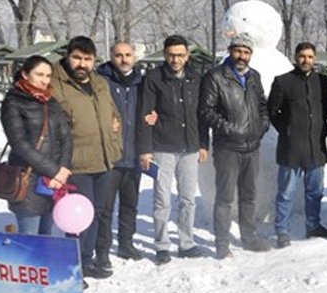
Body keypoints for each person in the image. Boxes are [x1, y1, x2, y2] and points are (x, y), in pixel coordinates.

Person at [50, 36, 122, 280]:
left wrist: (115, 142)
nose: (82, 64)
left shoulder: (100, 83)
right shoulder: (56, 84)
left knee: (99, 212)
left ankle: (89, 259)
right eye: (77, 58)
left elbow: (113, 115)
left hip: (104, 159)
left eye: (87, 59)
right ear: (68, 56)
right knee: (78, 217)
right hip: (76, 163)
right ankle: (75, 266)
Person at [137, 35, 210, 264]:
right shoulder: (153, 78)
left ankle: (186, 242)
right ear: (165, 54)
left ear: (187, 55)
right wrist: (145, 149)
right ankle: (162, 245)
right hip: (163, 147)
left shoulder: (196, 79)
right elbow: (145, 114)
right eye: (171, 55)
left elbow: (202, 114)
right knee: (162, 198)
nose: (175, 59)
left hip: (189, 147)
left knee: (188, 198)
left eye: (180, 55)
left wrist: (203, 144)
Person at [199, 33, 272, 258]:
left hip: (252, 146)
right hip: (227, 148)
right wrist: (229, 129)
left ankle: (249, 237)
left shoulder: (254, 77)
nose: (242, 56)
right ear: (230, 51)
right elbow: (206, 110)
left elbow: (261, 104)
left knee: (249, 195)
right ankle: (222, 243)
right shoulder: (215, 76)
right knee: (225, 197)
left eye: (246, 52)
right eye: (238, 51)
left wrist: (263, 125)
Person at [267, 42, 327, 247]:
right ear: (295, 57)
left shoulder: (323, 82)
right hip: (291, 147)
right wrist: (286, 129)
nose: (306, 60)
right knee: (286, 192)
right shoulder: (283, 81)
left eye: (310, 57)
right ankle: (282, 231)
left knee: (315, 191)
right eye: (302, 56)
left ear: (315, 59)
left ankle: (313, 225)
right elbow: (272, 111)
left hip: (316, 146)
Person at [0, 56, 73, 235]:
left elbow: (66, 136)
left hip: (53, 182)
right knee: (29, 237)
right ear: (25, 74)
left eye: (48, 76)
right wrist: (54, 170)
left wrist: (63, 169)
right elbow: (20, 144)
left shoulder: (51, 101)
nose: (44, 80)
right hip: (28, 179)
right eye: (39, 74)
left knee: (47, 235)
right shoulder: (13, 102)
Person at [96, 42, 144, 265]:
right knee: (105, 207)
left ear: (134, 57)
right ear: (111, 57)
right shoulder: (101, 81)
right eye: (119, 55)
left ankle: (126, 243)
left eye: (128, 55)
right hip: (110, 157)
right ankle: (102, 250)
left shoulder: (141, 82)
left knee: (130, 204)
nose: (124, 59)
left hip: (134, 154)